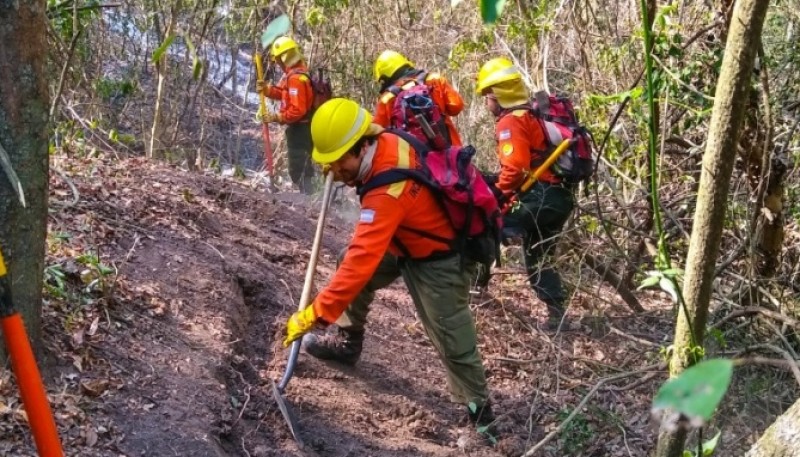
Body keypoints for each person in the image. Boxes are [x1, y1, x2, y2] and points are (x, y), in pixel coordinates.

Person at [282, 98, 494, 427]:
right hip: (403, 239)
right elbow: (357, 259)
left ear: (361, 147)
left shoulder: (388, 191)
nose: (336, 174)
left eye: (340, 164)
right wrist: (336, 162)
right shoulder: (384, 140)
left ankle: (481, 418)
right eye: (331, 166)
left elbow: (361, 262)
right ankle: (347, 343)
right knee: (346, 261)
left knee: (451, 336)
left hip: (438, 257)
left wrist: (315, 314)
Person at [475, 57, 575, 330]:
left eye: (487, 96)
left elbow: (515, 169)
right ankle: (558, 315)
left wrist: (496, 194)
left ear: (497, 95)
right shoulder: (531, 115)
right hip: (559, 198)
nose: (486, 102)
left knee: (487, 223)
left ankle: (474, 289)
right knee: (538, 253)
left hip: (536, 200)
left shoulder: (510, 122)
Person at [257, 36, 316, 193]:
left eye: (278, 60)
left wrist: (278, 117)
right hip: (301, 128)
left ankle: (309, 197)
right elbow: (284, 93)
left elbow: (298, 110)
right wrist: (267, 90)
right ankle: (308, 195)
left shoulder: (296, 79)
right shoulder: (294, 75)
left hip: (301, 130)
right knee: (301, 164)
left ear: (284, 58)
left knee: (299, 164)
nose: (278, 64)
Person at [372, 50, 465, 147]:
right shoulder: (434, 79)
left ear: (384, 78)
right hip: (452, 154)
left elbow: (377, 134)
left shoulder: (387, 99)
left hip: (415, 159)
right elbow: (456, 107)